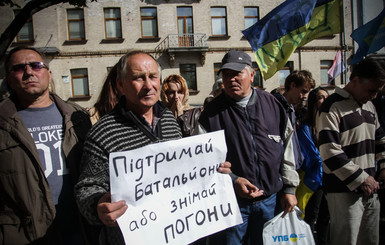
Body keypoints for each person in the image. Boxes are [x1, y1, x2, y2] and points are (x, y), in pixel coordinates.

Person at [74, 51, 231, 244]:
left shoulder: (168, 120)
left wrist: (211, 170)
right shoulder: (103, 133)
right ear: (121, 85)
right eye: (138, 78)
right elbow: (86, 188)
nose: (148, 85)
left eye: (153, 77)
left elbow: (183, 171)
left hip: (178, 232)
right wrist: (98, 205)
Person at [195, 50, 299, 245]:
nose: (231, 79)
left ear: (252, 75)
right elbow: (203, 163)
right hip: (231, 205)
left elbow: (287, 149)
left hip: (271, 201)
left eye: (237, 73)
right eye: (226, 74)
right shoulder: (209, 115)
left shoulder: (273, 105)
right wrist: (233, 180)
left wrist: (290, 189)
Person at [0, 46, 95, 244]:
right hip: (26, 234)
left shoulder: (77, 116)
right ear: (8, 78)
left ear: (49, 74)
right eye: (18, 68)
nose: (29, 72)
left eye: (36, 65)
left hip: (80, 228)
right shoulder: (3, 122)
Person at [317, 57, 385, 245]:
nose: (374, 96)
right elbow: (329, 151)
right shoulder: (331, 107)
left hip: (372, 189)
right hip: (343, 191)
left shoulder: (370, 106)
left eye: (378, 91)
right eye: (371, 90)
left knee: (370, 240)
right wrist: (362, 178)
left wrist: (383, 167)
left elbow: (380, 140)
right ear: (355, 81)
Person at [296, 87, 330, 244]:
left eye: (326, 97)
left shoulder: (332, 123)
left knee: (326, 218)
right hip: (314, 179)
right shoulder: (305, 126)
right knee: (311, 216)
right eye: (320, 97)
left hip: (330, 177)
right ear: (313, 101)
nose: (324, 101)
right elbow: (313, 156)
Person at [273, 70, 315, 170]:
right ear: (293, 85)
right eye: (303, 91)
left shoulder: (291, 109)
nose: (305, 96)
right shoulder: (276, 108)